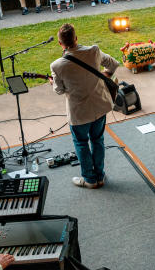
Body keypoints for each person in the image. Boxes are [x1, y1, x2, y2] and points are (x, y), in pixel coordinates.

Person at [50, 23, 119, 189]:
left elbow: (59, 90)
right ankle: (100, 176)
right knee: (98, 140)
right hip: (100, 106)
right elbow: (113, 64)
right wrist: (104, 76)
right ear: (76, 38)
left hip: (79, 113)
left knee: (81, 143)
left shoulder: (57, 66)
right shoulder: (93, 51)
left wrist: (53, 82)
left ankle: (89, 179)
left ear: (60, 43)